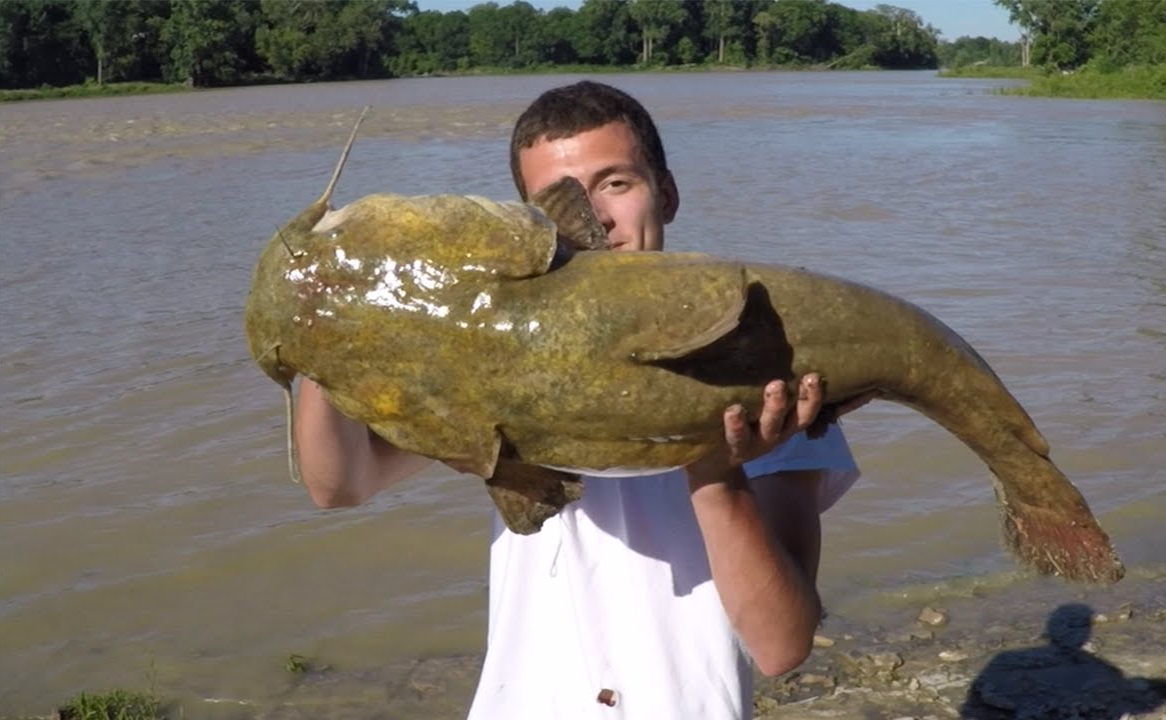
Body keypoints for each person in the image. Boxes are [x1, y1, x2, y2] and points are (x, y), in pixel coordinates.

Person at [292, 80, 866, 720]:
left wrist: (715, 470)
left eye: (615, 183)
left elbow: (781, 646)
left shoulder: (772, 369)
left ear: (667, 194)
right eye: (557, 200)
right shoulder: (493, 361)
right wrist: (323, 320)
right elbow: (339, 484)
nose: (593, 219)